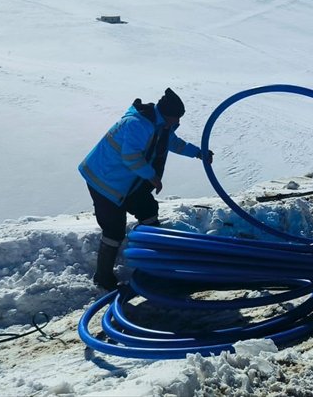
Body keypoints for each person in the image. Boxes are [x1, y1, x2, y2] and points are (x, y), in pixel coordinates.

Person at [78, 88, 213, 290]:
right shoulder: (138, 124)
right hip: (104, 181)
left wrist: (198, 153)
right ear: (166, 115)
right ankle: (103, 278)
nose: (177, 123)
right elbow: (130, 156)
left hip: (127, 181)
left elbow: (173, 143)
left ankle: (154, 262)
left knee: (148, 210)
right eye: (175, 119)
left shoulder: (159, 125)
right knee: (114, 229)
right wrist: (152, 177)